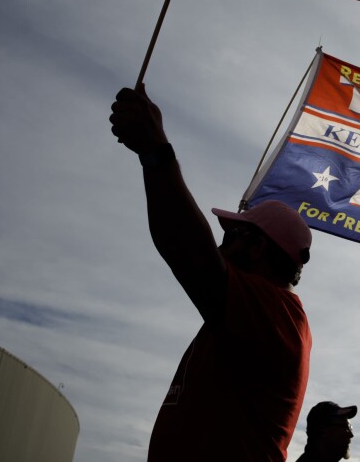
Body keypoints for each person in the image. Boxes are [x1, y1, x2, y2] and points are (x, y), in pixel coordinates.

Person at [110, 85, 313, 461]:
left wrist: (154, 150)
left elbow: (187, 249)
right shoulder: (247, 316)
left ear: (257, 247)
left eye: (231, 235)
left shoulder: (278, 315)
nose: (221, 245)